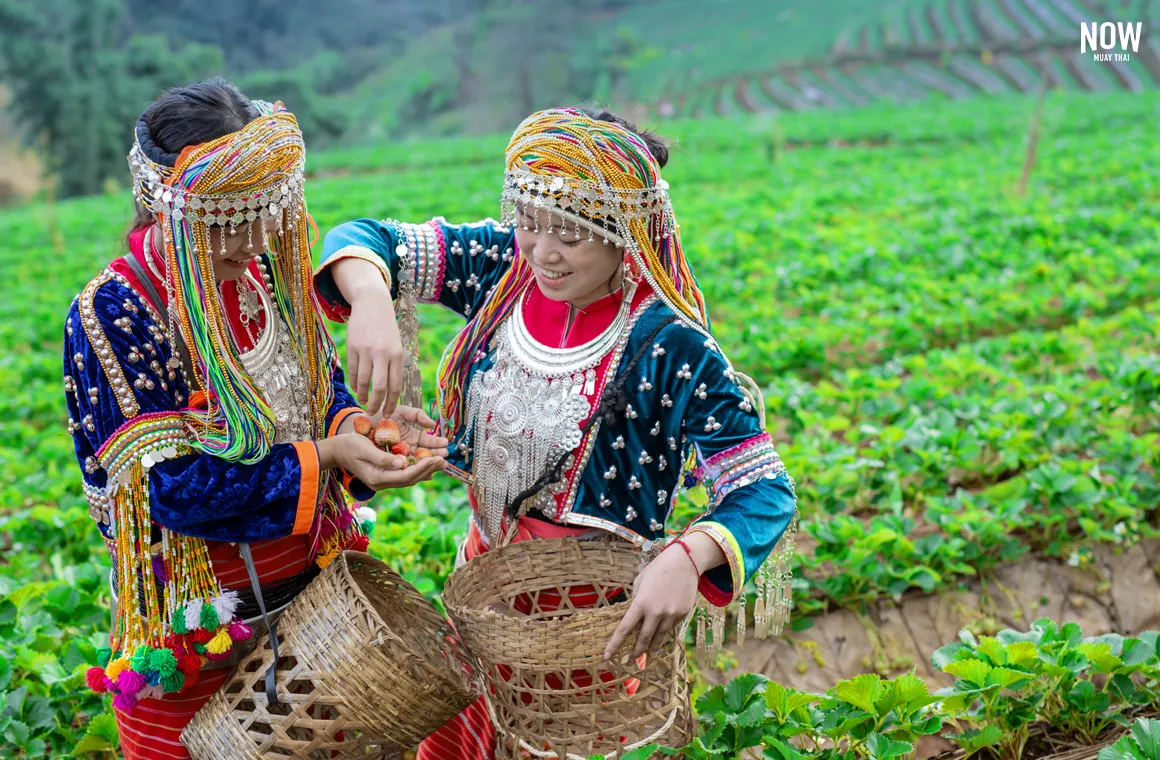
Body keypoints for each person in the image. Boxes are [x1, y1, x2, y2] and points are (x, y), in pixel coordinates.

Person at [313, 106, 797, 759]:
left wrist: (688, 557)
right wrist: (371, 301)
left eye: (569, 234)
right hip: (482, 605)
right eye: (532, 224)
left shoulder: (668, 347)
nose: (543, 250)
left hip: (590, 636)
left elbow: (763, 491)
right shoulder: (502, 272)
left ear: (626, 231)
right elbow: (366, 238)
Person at [63, 79, 446, 760]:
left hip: (320, 603)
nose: (254, 238)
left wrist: (360, 433)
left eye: (263, 212)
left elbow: (322, 393)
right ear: (164, 205)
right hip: (201, 622)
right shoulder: (117, 312)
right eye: (225, 219)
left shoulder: (269, 279)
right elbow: (172, 491)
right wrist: (326, 457)